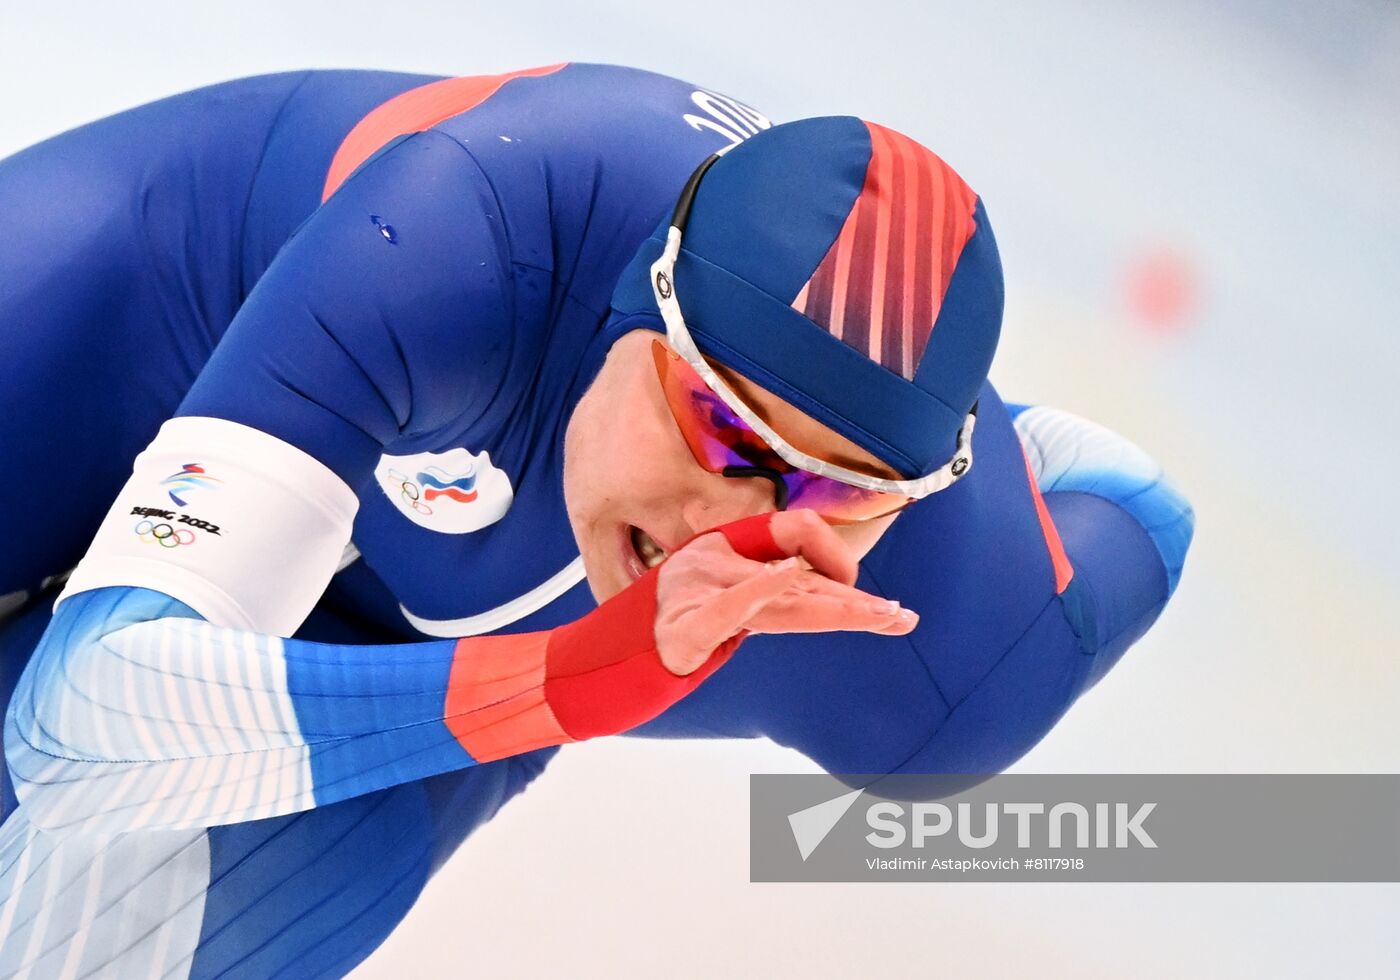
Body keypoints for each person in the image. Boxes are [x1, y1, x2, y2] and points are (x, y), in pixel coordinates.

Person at [0, 63, 1193, 975]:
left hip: (411, 649)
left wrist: (973, 434)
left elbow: (1146, 505)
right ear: (636, 309)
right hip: (150, 320)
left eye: (829, 488)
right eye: (720, 428)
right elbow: (82, 722)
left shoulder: (939, 665)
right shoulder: (464, 241)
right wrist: (578, 675)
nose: (724, 528)